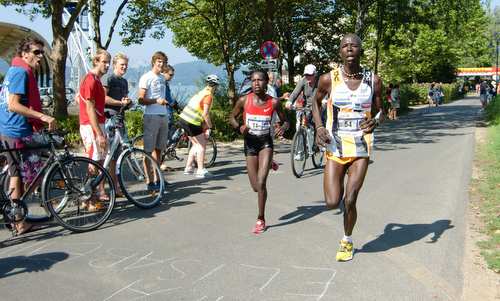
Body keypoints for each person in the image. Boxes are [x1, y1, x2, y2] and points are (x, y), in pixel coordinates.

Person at [312, 33, 383, 261]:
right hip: (335, 146)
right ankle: (343, 207)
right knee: (333, 202)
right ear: (340, 52)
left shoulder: (373, 80)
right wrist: (319, 126)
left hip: (361, 147)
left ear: (360, 50)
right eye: (345, 46)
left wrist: (376, 120)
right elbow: (315, 101)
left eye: (354, 45)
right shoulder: (328, 79)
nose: (350, 48)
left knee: (350, 198)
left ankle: (347, 240)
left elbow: (382, 109)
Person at [0, 37, 56, 234]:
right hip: (15, 130)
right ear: (24, 54)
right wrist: (41, 116)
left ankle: (18, 215)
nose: (40, 57)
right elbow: (13, 105)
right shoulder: (21, 72)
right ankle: (17, 218)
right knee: (22, 174)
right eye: (36, 52)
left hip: (13, 129)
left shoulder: (15, 69)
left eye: (42, 53)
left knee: (21, 172)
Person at [229, 70, 289, 234]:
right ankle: (269, 163)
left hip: (265, 144)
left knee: (261, 183)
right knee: (256, 187)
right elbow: (232, 117)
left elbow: (286, 122)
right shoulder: (244, 100)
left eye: (260, 80)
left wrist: (282, 128)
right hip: (250, 145)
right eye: (253, 80)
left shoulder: (274, 102)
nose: (256, 83)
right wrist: (239, 127)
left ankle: (260, 218)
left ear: (266, 82)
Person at [78, 48, 111, 211]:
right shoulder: (90, 80)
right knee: (93, 163)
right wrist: (99, 134)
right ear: (96, 61)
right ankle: (88, 199)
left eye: (108, 63)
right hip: (90, 126)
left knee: (98, 162)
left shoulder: (96, 80)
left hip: (97, 123)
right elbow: (89, 108)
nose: (107, 66)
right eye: (104, 62)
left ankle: (90, 197)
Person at [138, 51, 169, 190]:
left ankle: (158, 178)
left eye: (163, 62)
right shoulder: (146, 77)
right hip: (151, 116)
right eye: (159, 62)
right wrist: (156, 100)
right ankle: (149, 181)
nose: (161, 64)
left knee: (159, 149)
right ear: (154, 62)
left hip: (163, 115)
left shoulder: (162, 78)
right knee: (148, 150)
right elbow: (140, 99)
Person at [178, 74, 219, 178]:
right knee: (202, 144)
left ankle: (188, 168)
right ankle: (200, 170)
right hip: (191, 121)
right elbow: (205, 114)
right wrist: (210, 127)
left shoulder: (201, 92)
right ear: (215, 86)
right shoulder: (208, 96)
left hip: (183, 119)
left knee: (196, 144)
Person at [102, 52, 131, 197]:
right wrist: (120, 103)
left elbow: (124, 100)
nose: (124, 67)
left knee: (117, 156)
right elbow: (103, 97)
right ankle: (101, 189)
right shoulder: (110, 78)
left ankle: (115, 187)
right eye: (122, 65)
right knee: (107, 155)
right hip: (110, 119)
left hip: (120, 119)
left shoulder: (124, 82)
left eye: (126, 65)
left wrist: (127, 103)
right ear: (115, 65)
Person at [285, 64, 318, 130]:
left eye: (310, 75)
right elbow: (295, 92)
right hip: (308, 107)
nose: (308, 77)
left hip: (319, 106)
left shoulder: (320, 81)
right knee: (306, 125)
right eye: (306, 75)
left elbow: (326, 92)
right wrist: (289, 101)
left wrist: (325, 100)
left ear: (315, 74)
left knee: (320, 124)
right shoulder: (303, 80)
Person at [159, 64, 178, 171]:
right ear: (164, 73)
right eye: (170, 75)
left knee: (167, 140)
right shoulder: (162, 84)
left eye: (173, 75)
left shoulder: (166, 84)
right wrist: (172, 103)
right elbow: (166, 99)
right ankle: (160, 163)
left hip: (169, 113)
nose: (172, 77)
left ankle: (162, 161)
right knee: (164, 140)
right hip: (166, 114)